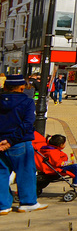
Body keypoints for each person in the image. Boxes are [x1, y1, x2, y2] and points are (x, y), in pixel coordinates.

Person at [0, 74, 47, 213]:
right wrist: (10, 141)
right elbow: (27, 124)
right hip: (19, 142)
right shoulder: (27, 102)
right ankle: (28, 202)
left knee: (2, 173)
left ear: (5, 86)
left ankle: (3, 205)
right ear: (22, 87)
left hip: (0, 142)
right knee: (25, 172)